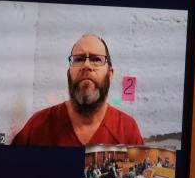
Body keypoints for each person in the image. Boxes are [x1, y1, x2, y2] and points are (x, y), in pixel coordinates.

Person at [10, 34, 143, 147]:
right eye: (79, 59)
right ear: (69, 74)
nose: (86, 65)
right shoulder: (38, 125)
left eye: (96, 59)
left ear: (110, 74)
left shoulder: (128, 130)